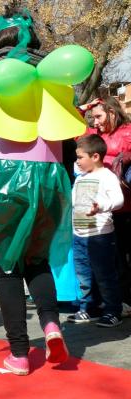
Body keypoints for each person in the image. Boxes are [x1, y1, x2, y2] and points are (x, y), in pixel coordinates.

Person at [0, 8, 71, 375]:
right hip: (49, 175)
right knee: (37, 259)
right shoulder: (54, 77)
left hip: (1, 175)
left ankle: (20, 354)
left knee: (6, 267)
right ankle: (51, 325)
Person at [68, 135, 124, 326]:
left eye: (80, 157)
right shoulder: (80, 178)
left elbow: (119, 200)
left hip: (100, 235)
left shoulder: (107, 176)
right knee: (83, 275)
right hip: (79, 235)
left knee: (105, 275)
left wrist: (100, 206)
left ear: (95, 157)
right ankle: (89, 308)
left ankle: (113, 310)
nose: (77, 161)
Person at [81, 97, 131, 305]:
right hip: (100, 207)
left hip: (124, 205)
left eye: (99, 116)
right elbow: (74, 128)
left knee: (124, 255)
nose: (95, 122)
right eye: (93, 119)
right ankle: (115, 300)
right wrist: (84, 108)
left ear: (112, 112)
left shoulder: (127, 131)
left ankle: (125, 299)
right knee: (109, 257)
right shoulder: (94, 135)